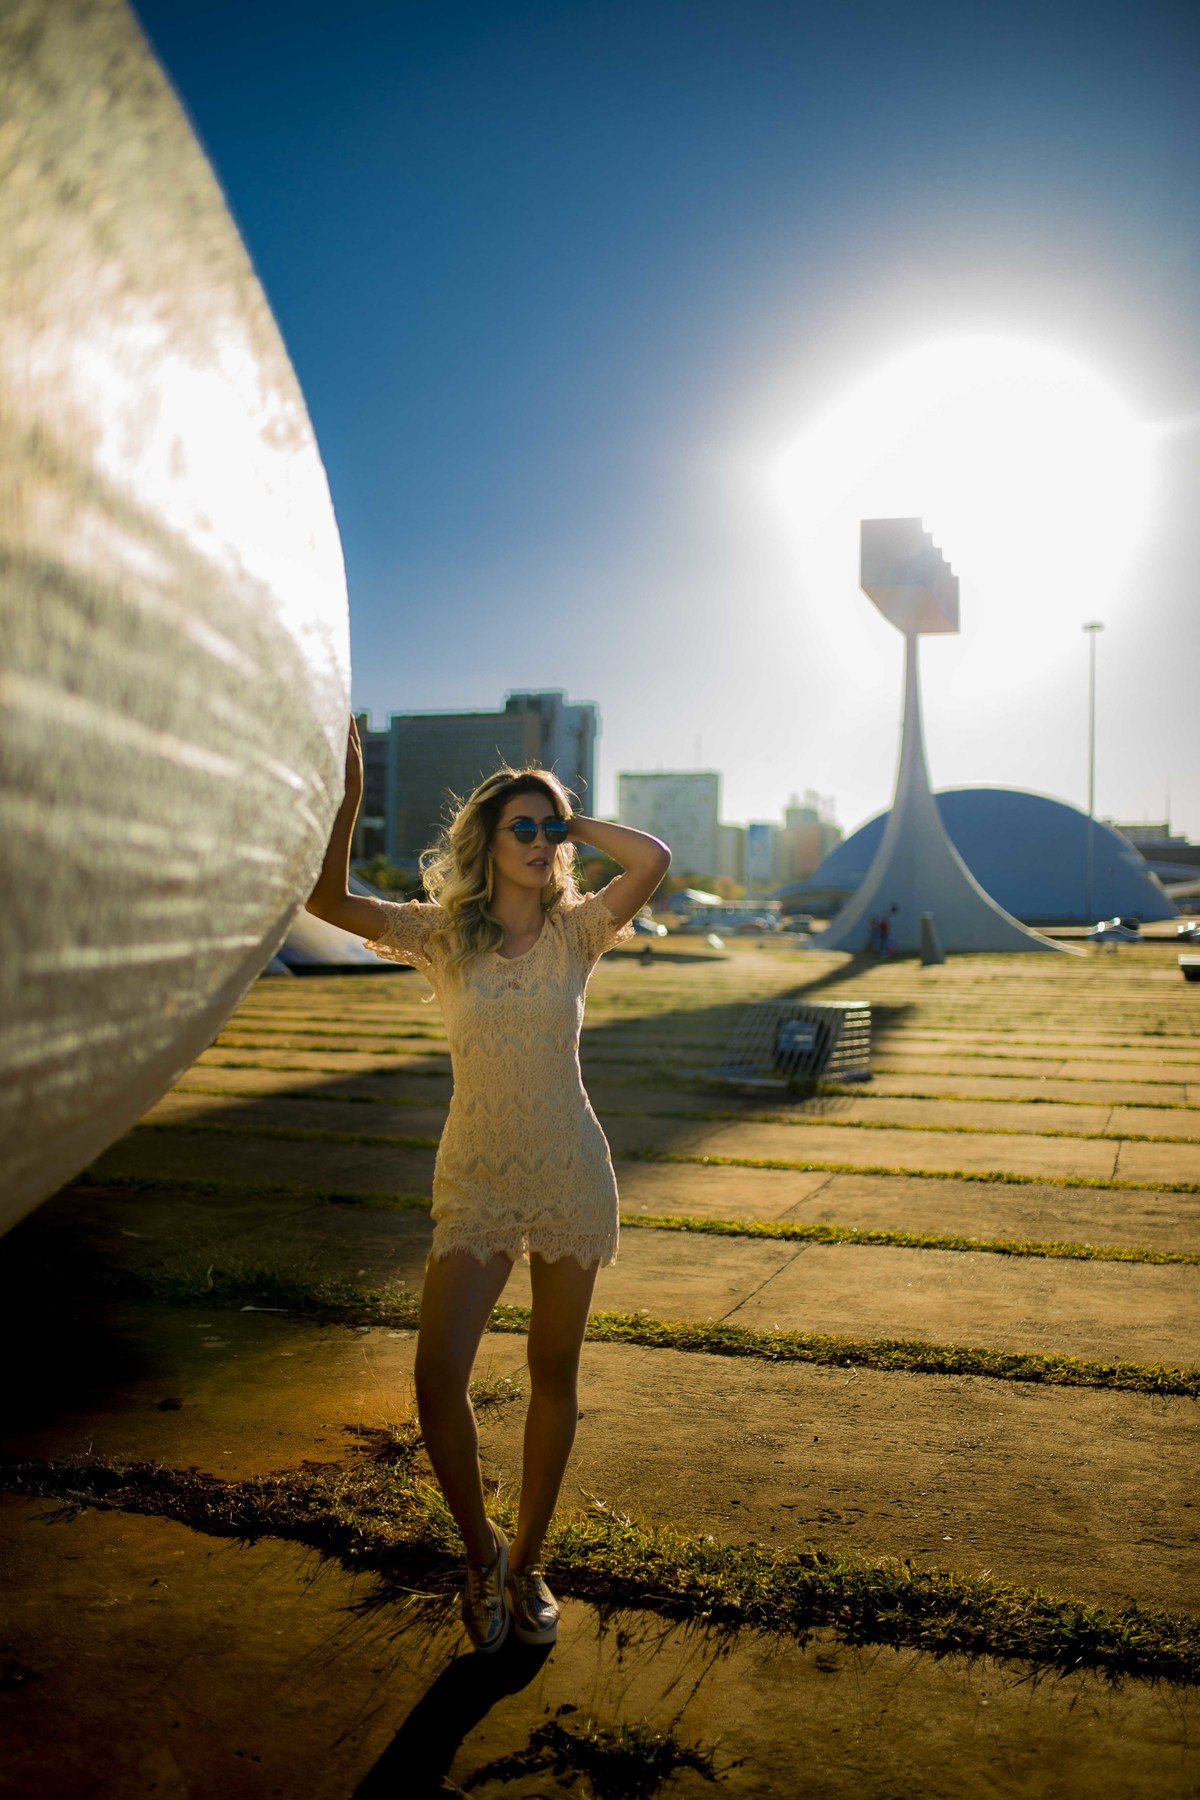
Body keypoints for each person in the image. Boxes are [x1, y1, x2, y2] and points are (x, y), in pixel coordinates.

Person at [306, 720, 671, 1654]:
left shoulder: (579, 932)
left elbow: (654, 857)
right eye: (524, 828)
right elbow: (326, 898)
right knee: (437, 1378)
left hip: (568, 1173)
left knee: (554, 1374)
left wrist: (567, 820)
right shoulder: (442, 939)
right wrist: (348, 796)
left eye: (549, 830)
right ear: (487, 840)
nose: (541, 843)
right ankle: (480, 1553)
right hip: (473, 1174)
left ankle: (528, 1564)